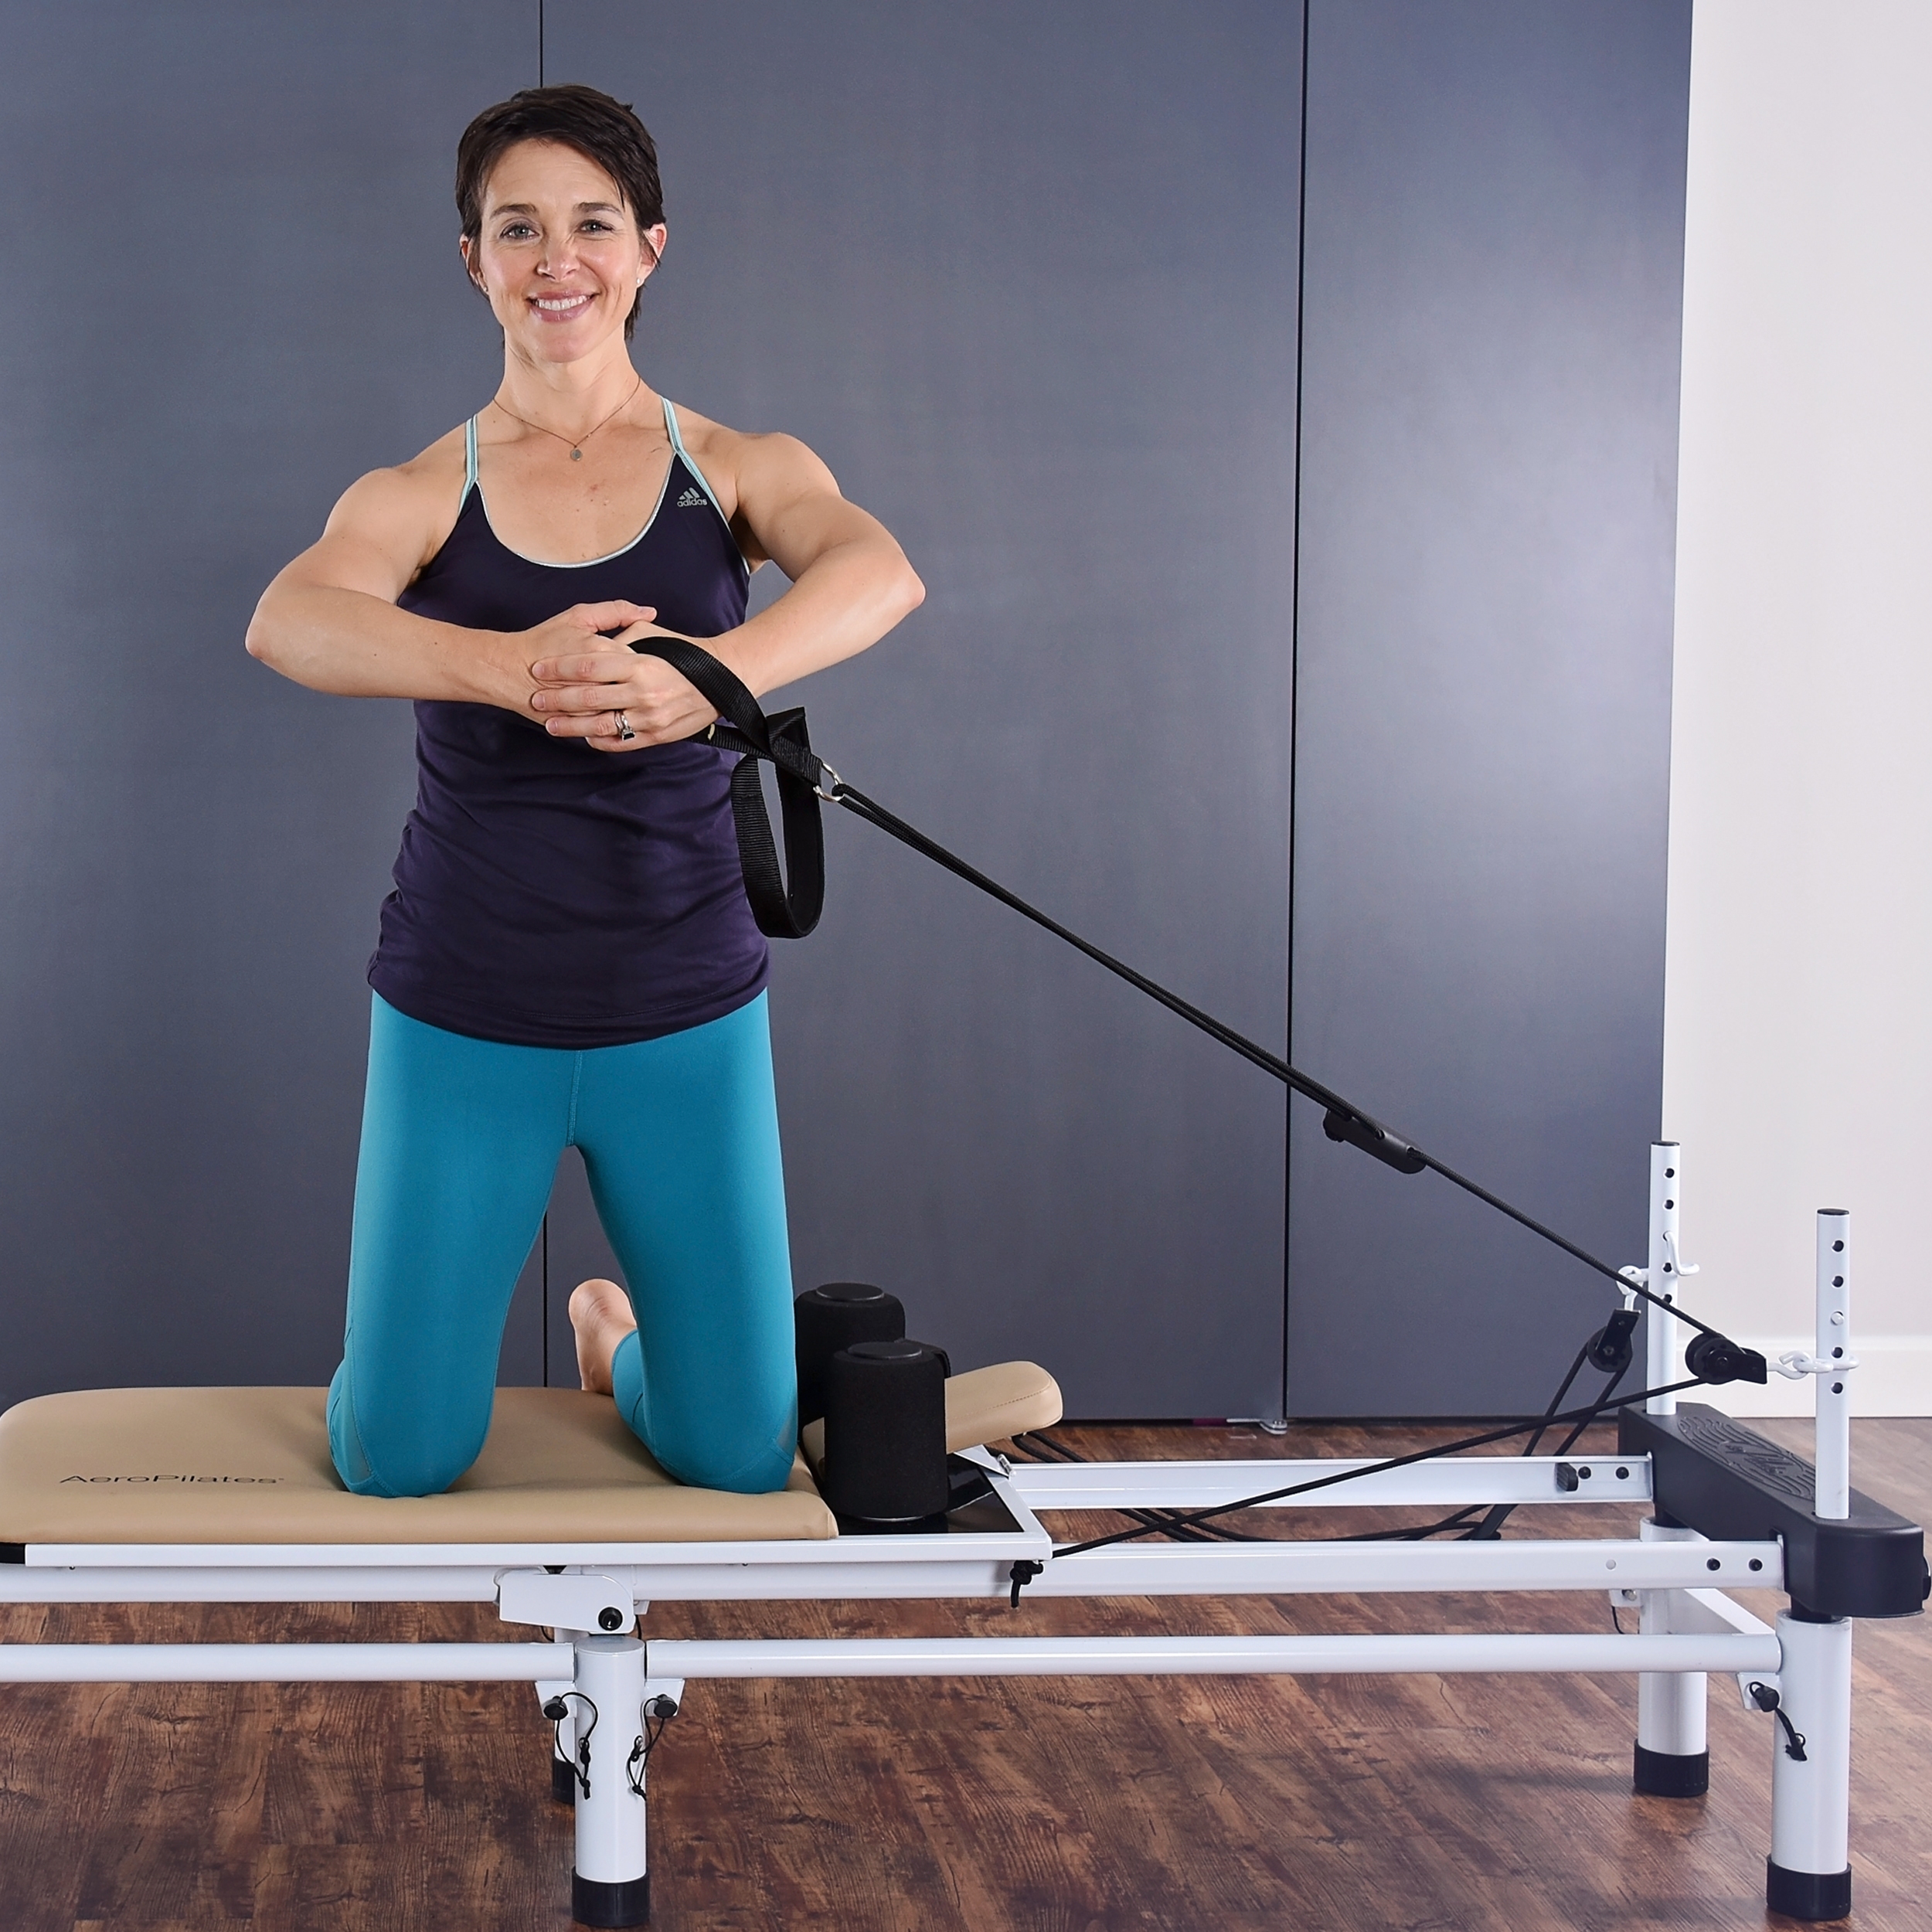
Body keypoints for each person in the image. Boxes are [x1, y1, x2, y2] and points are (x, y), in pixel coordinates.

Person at [245, 85, 923, 1499]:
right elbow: (289, 622)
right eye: (519, 228)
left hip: (685, 1007)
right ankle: (400, 1370)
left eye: (592, 224)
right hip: (464, 1008)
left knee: (735, 1454)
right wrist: (508, 669)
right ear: (474, 261)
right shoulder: (419, 489)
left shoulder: (733, 467)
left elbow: (880, 575)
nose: (558, 259)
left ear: (649, 247)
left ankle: (611, 1343)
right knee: (399, 1458)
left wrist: (708, 680)